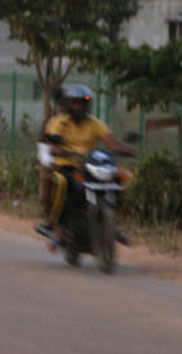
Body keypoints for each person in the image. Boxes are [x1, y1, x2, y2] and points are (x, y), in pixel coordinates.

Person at [39, 84, 135, 248]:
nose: (79, 106)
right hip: (66, 166)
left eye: (83, 103)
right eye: (76, 103)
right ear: (69, 104)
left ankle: (113, 222)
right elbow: (50, 142)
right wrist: (59, 150)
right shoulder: (59, 122)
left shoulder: (95, 123)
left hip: (90, 166)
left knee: (118, 179)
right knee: (62, 184)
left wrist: (125, 149)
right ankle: (56, 225)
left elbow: (111, 143)